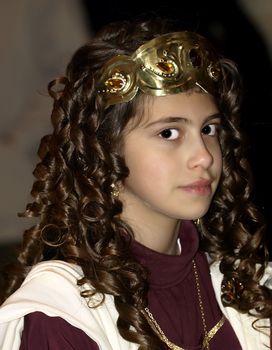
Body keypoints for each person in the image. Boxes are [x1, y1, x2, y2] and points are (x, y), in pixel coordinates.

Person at [0, 17, 271, 350]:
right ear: (106, 149)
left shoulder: (247, 285)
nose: (203, 156)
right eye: (168, 133)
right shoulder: (64, 314)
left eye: (209, 129)